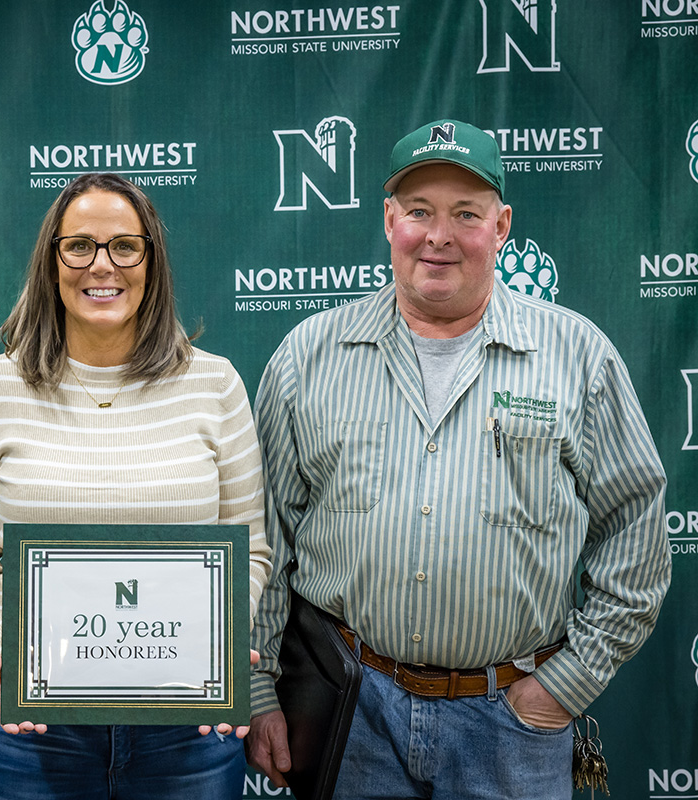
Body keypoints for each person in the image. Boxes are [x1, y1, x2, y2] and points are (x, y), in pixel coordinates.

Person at [246, 119, 670, 799]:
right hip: (351, 714)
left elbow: (637, 531)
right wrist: (261, 687)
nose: (438, 235)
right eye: (419, 211)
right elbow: (265, 537)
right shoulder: (308, 356)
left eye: (465, 214)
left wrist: (563, 687)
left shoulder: (577, 358)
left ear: (501, 227)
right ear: (390, 221)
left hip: (511, 724)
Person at [0, 172, 272, 799]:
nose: (103, 265)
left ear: (152, 261)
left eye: (125, 246)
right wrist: (10, 645)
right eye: (80, 246)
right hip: (32, 727)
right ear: (52, 259)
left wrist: (219, 639)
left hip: (186, 729)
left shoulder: (216, 385)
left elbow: (250, 550)